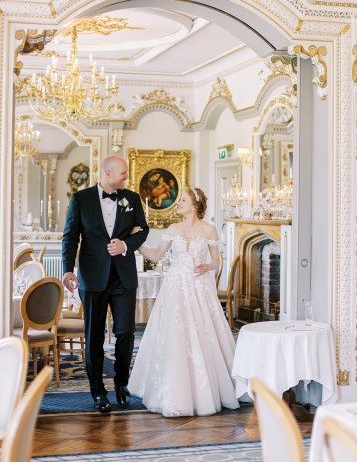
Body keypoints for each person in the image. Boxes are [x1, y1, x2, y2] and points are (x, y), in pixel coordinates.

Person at [128, 187, 240, 416]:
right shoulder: (173, 229)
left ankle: (208, 391)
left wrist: (207, 266)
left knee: (202, 332)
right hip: (175, 288)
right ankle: (174, 391)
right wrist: (135, 243)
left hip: (199, 288)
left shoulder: (209, 230)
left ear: (195, 205)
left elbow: (218, 261)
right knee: (175, 335)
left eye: (183, 200)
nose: (178, 203)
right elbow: (156, 255)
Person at [62, 155, 149, 413]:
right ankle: (98, 392)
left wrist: (125, 245)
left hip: (123, 276)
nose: (127, 178)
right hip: (92, 276)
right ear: (108, 173)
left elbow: (143, 230)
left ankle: (122, 385)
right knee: (94, 335)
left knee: (125, 332)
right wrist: (68, 270)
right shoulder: (81, 199)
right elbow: (70, 237)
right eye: (123, 173)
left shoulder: (131, 199)